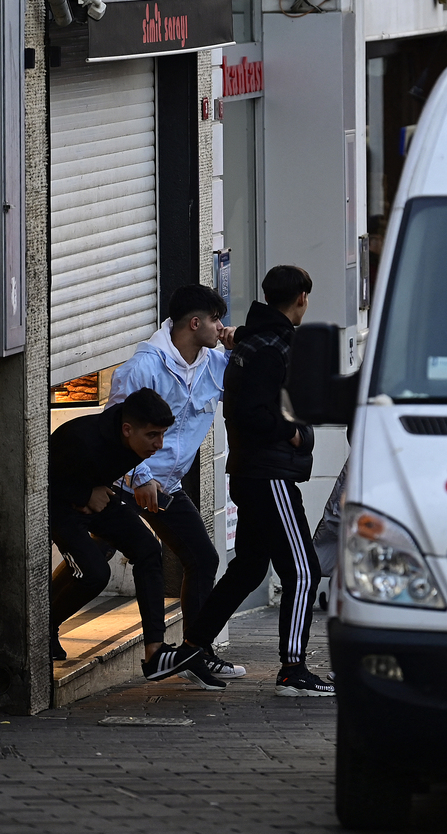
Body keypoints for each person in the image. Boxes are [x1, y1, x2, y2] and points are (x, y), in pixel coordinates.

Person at [171, 265, 333, 697]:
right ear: (300, 297)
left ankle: (194, 646)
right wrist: (291, 432)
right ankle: (293, 668)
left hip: (251, 472)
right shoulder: (268, 347)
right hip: (270, 475)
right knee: (302, 570)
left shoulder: (258, 340)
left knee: (247, 568)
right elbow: (251, 412)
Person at [105, 284, 246, 681]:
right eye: (216, 320)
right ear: (195, 322)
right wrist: (140, 476)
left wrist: (240, 347)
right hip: (125, 481)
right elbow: (116, 427)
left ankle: (194, 654)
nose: (222, 327)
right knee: (94, 566)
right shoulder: (145, 367)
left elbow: (253, 379)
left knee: (203, 558)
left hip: (167, 485)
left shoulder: (213, 362)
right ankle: (49, 628)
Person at [48, 387, 214, 684]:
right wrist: (84, 494)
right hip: (58, 504)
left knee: (149, 549)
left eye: (163, 434)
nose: (159, 444)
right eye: (152, 435)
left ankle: (155, 652)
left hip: (98, 495)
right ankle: (44, 625)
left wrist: (138, 483)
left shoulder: (131, 439)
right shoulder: (81, 439)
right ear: (127, 430)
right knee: (94, 573)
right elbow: (40, 482)